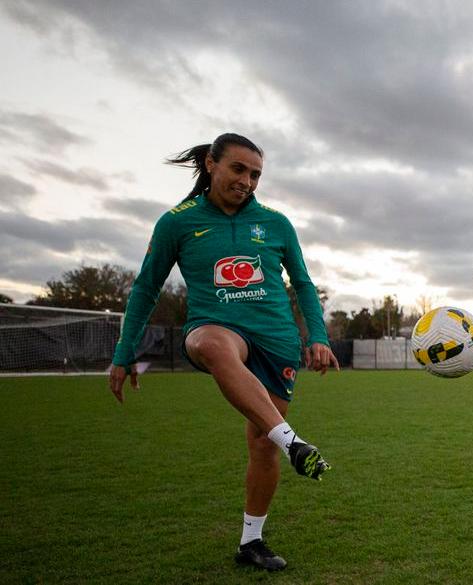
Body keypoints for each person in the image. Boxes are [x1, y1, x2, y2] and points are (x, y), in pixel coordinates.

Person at [108, 133, 339, 572]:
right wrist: (123, 353)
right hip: (215, 327)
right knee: (212, 345)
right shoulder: (176, 222)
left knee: (261, 442)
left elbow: (304, 283)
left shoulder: (276, 223)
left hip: (277, 340)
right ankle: (296, 443)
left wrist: (318, 337)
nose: (247, 181)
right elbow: (145, 288)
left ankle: (251, 542)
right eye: (238, 169)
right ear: (212, 164)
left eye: (255, 174)